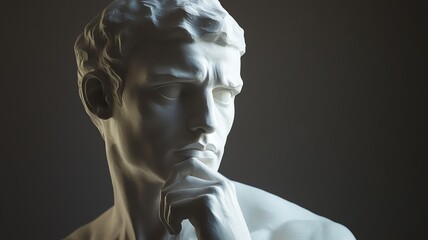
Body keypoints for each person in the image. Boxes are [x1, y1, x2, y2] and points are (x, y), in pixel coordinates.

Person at [66, 0, 355, 239]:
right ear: (99, 97)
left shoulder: (314, 236)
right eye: (171, 90)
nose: (207, 121)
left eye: (224, 93)